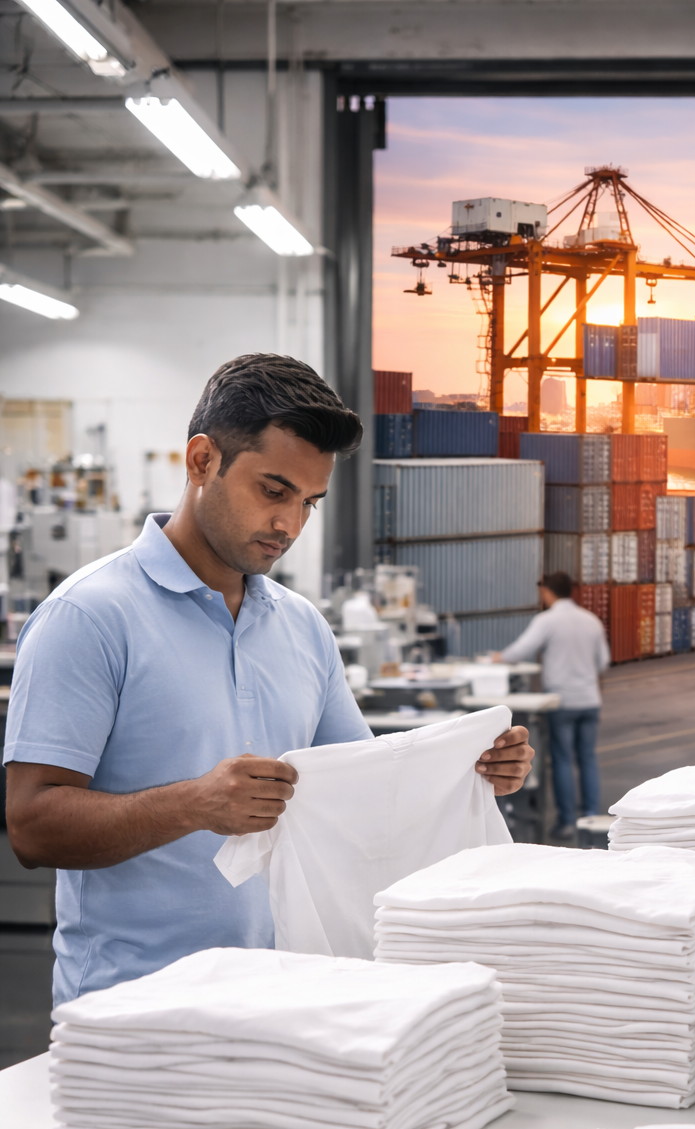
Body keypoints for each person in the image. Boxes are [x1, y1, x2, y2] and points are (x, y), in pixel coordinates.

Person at [4, 354, 533, 1003]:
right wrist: (195, 804)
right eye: (273, 490)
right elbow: (30, 825)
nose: (290, 525)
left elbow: (365, 791)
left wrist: (465, 770)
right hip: (134, 1015)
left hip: (280, 1004)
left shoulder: (302, 628)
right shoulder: (88, 617)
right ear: (202, 461)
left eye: (309, 503)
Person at [496, 571, 610, 839]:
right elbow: (603, 662)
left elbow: (521, 651)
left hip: (562, 701)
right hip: (590, 700)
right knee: (587, 758)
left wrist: (497, 659)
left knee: (561, 760)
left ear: (547, 592)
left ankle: (567, 822)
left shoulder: (547, 620)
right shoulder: (591, 620)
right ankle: (591, 818)